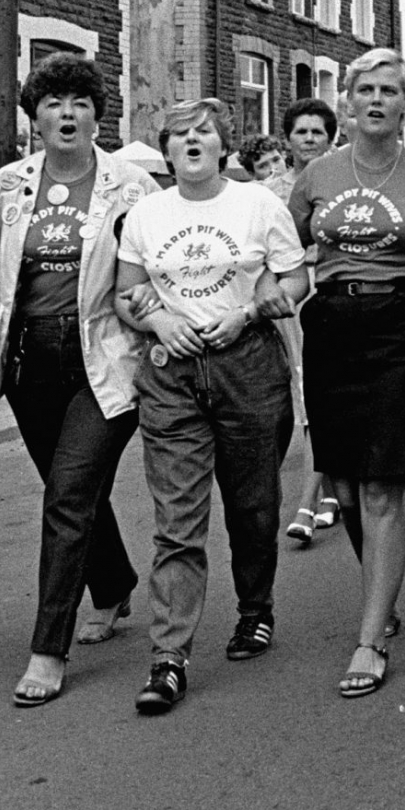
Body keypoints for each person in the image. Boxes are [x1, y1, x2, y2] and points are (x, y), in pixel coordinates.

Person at [115, 99, 309, 715]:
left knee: (252, 507)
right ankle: (169, 658)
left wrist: (250, 310)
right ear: (166, 151)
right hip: (172, 374)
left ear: (223, 144)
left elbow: (294, 279)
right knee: (177, 522)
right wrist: (159, 318)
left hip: (247, 366)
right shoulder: (147, 213)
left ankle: (256, 610)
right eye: (180, 135)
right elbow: (127, 294)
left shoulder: (259, 206)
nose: (192, 141)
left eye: (204, 132)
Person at [0, 55, 160, 708]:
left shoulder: (132, 186)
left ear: (96, 113)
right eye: (53, 101)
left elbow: (152, 266)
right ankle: (112, 584)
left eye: (79, 101)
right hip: (31, 357)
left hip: (104, 355)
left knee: (67, 491)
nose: (67, 112)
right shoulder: (9, 185)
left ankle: (47, 647)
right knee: (74, 489)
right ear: (35, 115)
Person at [288, 48, 405, 698]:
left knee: (382, 488)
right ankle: (381, 600)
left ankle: (370, 635)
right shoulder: (317, 175)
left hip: (400, 327)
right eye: (366, 91)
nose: (378, 100)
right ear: (347, 103)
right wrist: (282, 287)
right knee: (347, 491)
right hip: (330, 327)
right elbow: (288, 246)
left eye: (390, 90)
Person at [283, 96, 344, 542]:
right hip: (287, 298)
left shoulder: (341, 183)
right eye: (301, 131)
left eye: (317, 132)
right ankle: (329, 491)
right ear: (288, 139)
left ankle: (312, 499)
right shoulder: (268, 189)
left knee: (317, 397)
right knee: (302, 400)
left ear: (330, 138)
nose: (308, 139)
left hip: (328, 294)